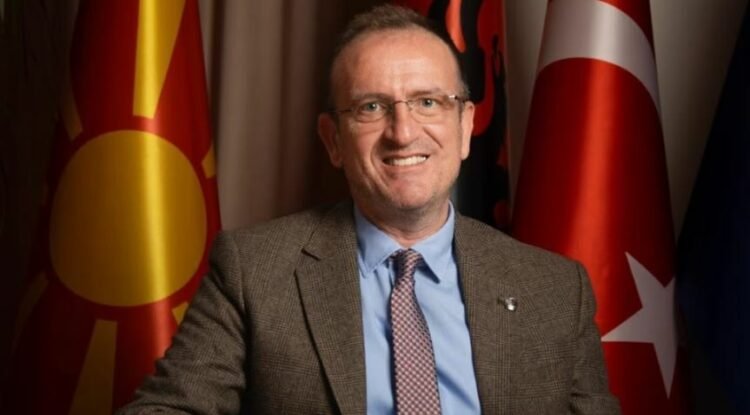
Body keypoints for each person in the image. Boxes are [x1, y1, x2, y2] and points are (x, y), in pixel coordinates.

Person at [118, 5, 620, 414]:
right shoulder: (254, 271)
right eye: (371, 107)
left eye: (428, 102)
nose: (403, 132)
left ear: (466, 126)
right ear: (333, 140)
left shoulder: (556, 290)